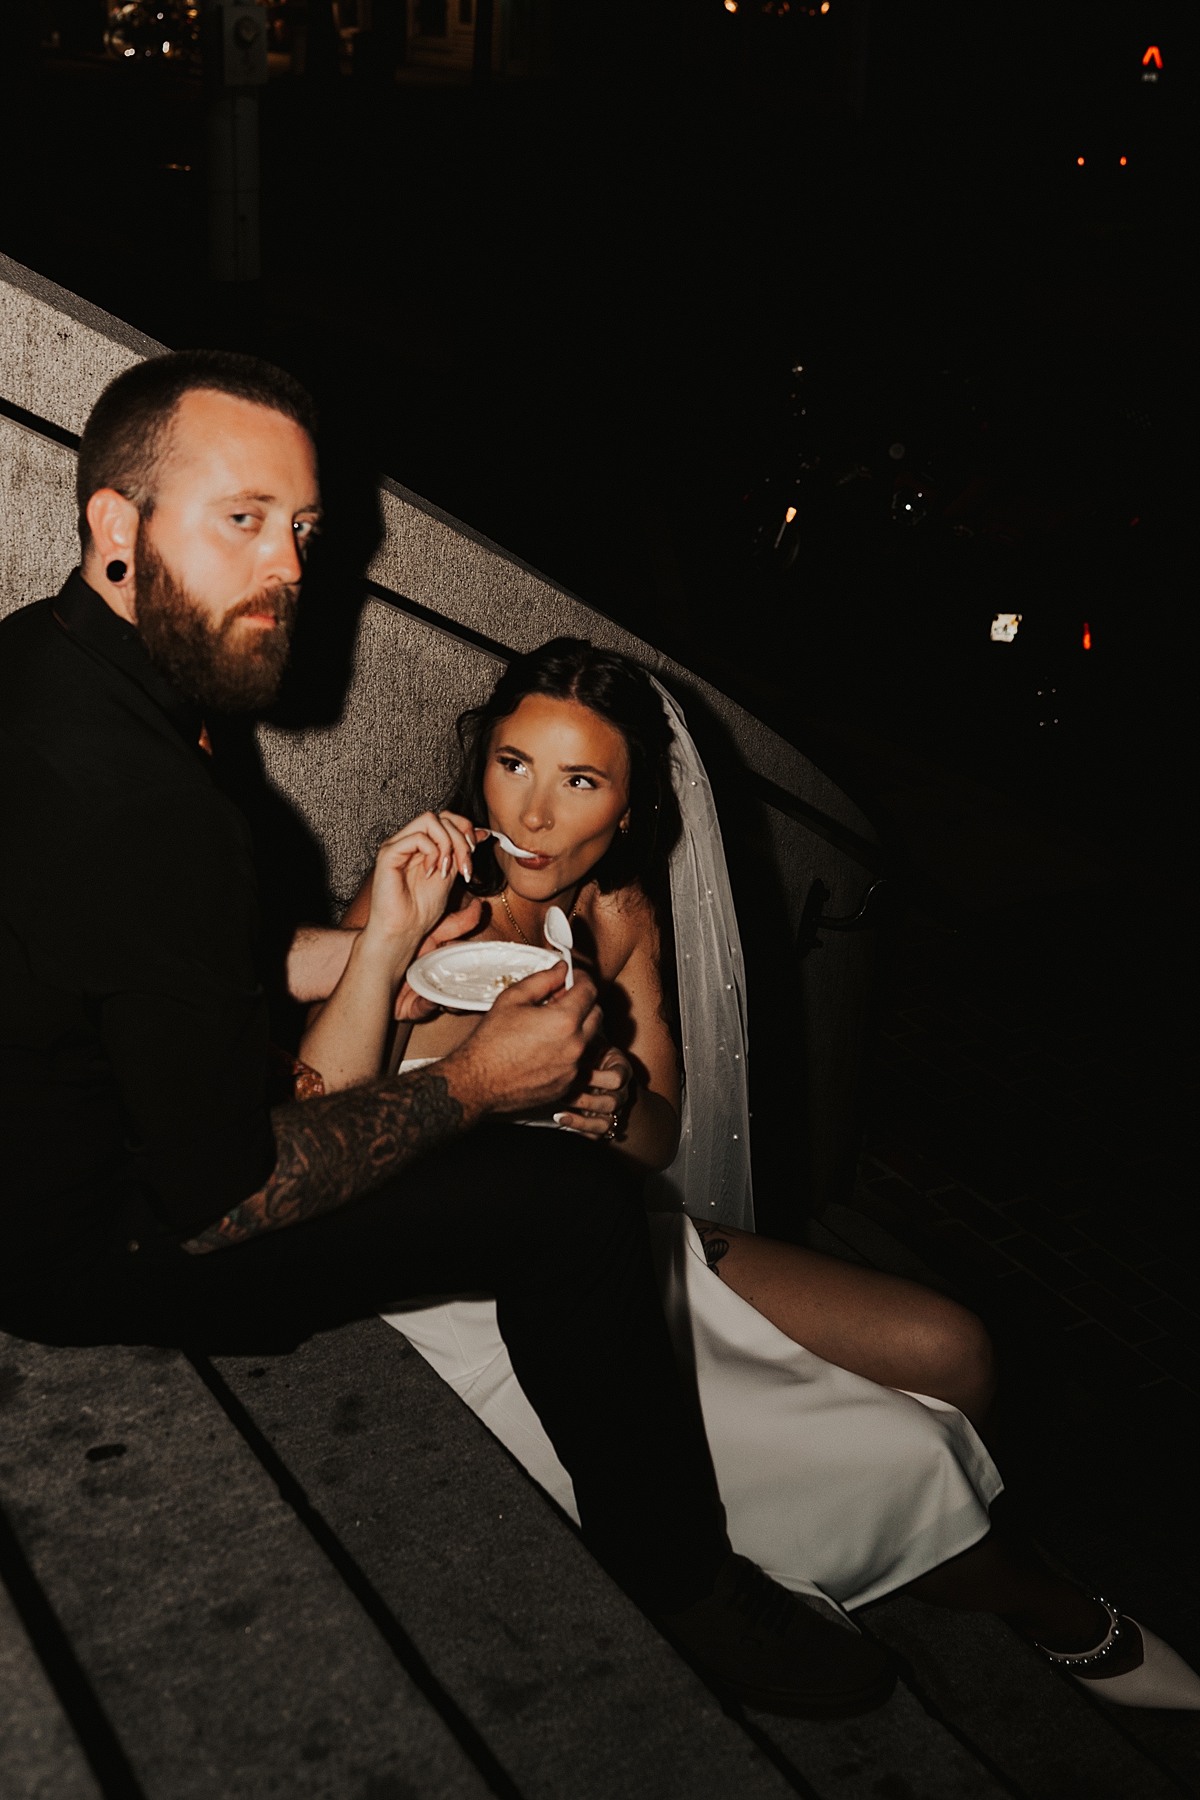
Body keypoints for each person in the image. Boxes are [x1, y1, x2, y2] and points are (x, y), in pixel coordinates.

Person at [0, 350, 900, 1721]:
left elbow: (147, 952)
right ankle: (684, 1585)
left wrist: (378, 957)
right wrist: (478, 1084)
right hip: (82, 1247)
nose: (288, 569)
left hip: (68, 1123)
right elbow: (222, 1190)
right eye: (242, 519)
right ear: (115, 525)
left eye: (305, 530)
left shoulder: (51, 660)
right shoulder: (145, 798)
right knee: (570, 1212)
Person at [298, 638, 1200, 1712]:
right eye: (513, 763)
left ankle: (923, 1544)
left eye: (580, 780)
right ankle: (1042, 1605)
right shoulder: (422, 900)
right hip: (457, 1290)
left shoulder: (617, 915)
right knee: (900, 1450)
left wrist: (612, 1103)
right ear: (481, 761)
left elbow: (656, 1140)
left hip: (603, 1238)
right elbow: (314, 1127)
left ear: (630, 810)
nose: (533, 814)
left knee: (957, 1352)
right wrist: (385, 942)